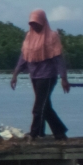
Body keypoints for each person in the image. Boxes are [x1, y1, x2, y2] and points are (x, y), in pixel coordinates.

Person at [9, 8, 70, 139]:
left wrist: (64, 78)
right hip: (35, 76)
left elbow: (58, 59)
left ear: (43, 22)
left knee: (38, 108)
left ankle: (35, 133)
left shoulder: (52, 37)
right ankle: (59, 132)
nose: (34, 26)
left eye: (37, 23)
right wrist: (15, 75)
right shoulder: (29, 37)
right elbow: (23, 57)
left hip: (48, 76)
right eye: (32, 24)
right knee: (45, 107)